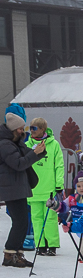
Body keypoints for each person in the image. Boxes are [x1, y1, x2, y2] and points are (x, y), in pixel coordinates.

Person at [0, 111, 46, 267]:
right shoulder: (5, 144)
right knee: (20, 222)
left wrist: (40, 150)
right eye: (20, 128)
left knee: (22, 222)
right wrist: (34, 153)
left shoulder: (15, 141)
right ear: (13, 129)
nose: (23, 131)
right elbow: (19, 164)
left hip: (17, 186)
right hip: (11, 188)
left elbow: (28, 155)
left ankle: (17, 254)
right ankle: (9, 254)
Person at [52, 171, 83, 278]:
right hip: (80, 230)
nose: (81, 188)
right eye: (78, 186)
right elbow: (63, 207)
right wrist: (53, 205)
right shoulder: (72, 199)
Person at [25, 117, 63, 256]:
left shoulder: (53, 145)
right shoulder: (28, 145)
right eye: (30, 128)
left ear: (43, 130)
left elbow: (59, 165)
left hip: (49, 189)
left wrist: (59, 185)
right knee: (36, 217)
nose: (31, 131)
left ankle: (52, 245)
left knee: (50, 218)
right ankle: (40, 245)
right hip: (34, 189)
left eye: (34, 128)